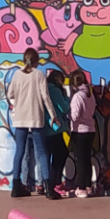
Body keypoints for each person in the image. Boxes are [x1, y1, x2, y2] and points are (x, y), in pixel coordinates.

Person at [5, 49, 55, 199]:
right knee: (41, 152)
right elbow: (45, 97)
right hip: (35, 117)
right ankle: (48, 188)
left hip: (20, 118)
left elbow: (10, 94)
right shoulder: (39, 75)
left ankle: (16, 185)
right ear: (36, 60)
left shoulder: (17, 75)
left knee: (19, 151)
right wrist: (53, 115)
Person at [69, 70, 101, 197]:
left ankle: (81, 187)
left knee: (80, 160)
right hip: (90, 129)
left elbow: (75, 116)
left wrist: (68, 115)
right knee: (86, 159)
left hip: (79, 131)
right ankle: (88, 185)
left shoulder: (78, 96)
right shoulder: (90, 95)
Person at [44, 64, 72, 200]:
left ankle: (52, 183)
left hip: (45, 127)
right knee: (61, 153)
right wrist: (66, 97)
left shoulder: (44, 88)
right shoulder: (55, 90)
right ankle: (54, 183)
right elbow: (65, 107)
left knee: (49, 156)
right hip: (55, 127)